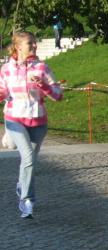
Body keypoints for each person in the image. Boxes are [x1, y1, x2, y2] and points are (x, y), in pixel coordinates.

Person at [0, 31, 63, 218]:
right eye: (30, 43)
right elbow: (3, 91)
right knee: (27, 157)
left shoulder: (42, 68)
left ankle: (22, 186)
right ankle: (27, 200)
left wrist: (44, 85)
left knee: (30, 161)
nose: (34, 45)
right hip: (14, 119)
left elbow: (58, 95)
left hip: (38, 122)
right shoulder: (6, 69)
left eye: (35, 42)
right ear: (18, 47)